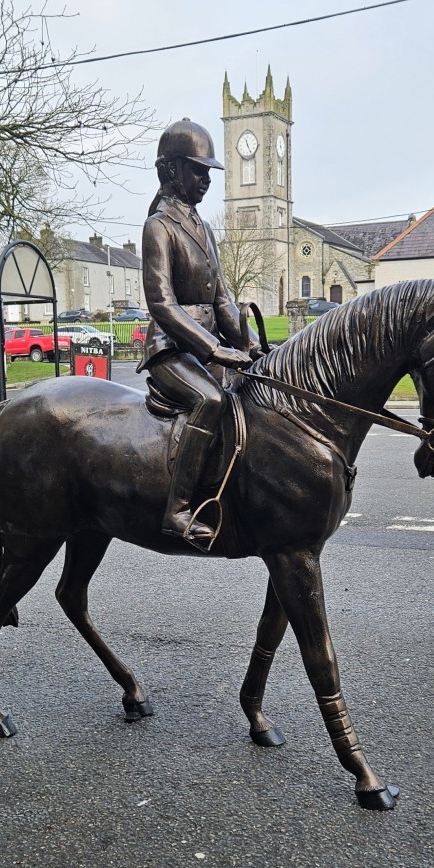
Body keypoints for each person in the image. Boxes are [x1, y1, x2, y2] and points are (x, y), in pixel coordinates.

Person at [138, 118, 262, 549]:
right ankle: (177, 510)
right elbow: (163, 305)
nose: (206, 179)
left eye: (208, 170)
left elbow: (223, 300)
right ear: (170, 170)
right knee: (209, 400)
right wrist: (214, 349)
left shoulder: (205, 228)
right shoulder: (159, 226)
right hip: (171, 349)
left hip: (207, 351)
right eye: (197, 169)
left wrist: (248, 345)